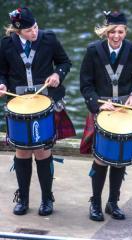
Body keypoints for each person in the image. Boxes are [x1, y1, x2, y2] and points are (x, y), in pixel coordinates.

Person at [0, 7, 76, 216]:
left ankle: (46, 198)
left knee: (43, 150)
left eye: (35, 27)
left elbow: (64, 62)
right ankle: (23, 199)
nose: (34, 32)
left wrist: (57, 75)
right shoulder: (6, 44)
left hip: (45, 101)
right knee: (22, 150)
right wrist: (2, 85)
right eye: (28, 30)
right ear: (18, 32)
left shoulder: (48, 39)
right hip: (19, 104)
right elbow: (2, 72)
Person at [80, 11, 132, 221]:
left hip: (126, 111)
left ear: (125, 31)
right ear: (106, 32)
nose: (116, 36)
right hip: (102, 110)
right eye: (112, 32)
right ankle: (96, 204)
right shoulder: (93, 51)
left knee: (120, 160)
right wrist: (98, 105)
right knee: (101, 159)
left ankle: (113, 203)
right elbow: (86, 84)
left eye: (120, 32)